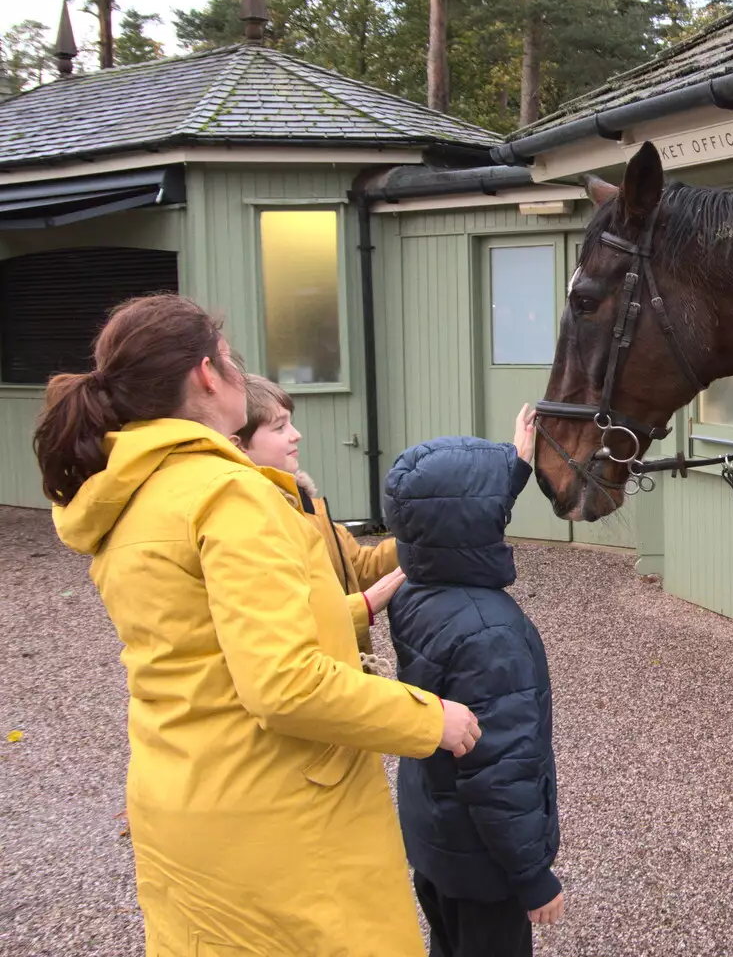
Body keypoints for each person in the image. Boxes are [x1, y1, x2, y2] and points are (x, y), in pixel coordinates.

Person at [35, 293, 483, 955]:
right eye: (232, 359)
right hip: (278, 822)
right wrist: (430, 720)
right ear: (208, 373)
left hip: (178, 801)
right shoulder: (229, 493)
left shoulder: (131, 495)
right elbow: (284, 682)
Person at [383, 422, 564, 957]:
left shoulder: (417, 592)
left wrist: (518, 465)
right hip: (486, 867)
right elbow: (499, 769)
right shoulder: (491, 633)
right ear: (470, 522)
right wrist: (531, 876)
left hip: (439, 845)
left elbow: (450, 513)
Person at [233, 373, 404, 654]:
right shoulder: (251, 517)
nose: (296, 434)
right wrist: (366, 605)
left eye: (291, 421)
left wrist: (420, 538)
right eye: (279, 427)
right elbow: (279, 629)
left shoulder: (302, 503)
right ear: (239, 444)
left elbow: (357, 565)